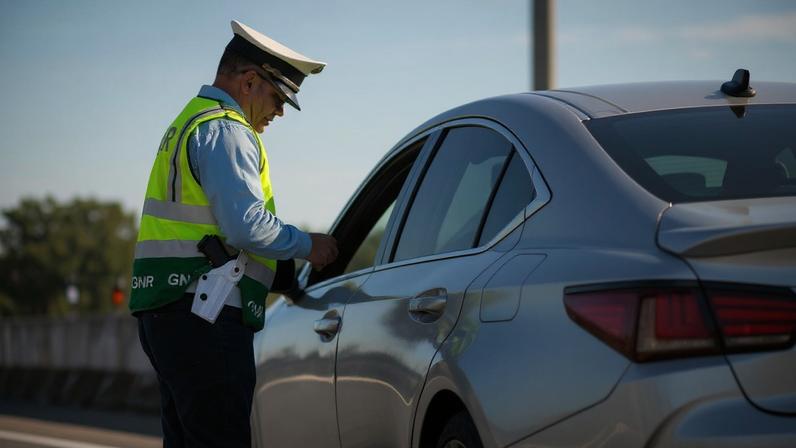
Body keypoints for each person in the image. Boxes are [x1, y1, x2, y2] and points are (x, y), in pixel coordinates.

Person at [128, 20, 338, 448]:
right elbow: (245, 226)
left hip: (167, 310)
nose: (279, 112)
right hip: (207, 314)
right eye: (278, 98)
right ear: (248, 81)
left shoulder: (188, 121)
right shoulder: (227, 130)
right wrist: (307, 246)